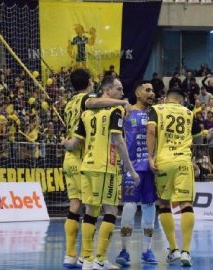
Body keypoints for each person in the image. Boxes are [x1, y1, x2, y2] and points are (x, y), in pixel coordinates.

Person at [62, 72, 134, 270]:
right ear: (89, 83)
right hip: (87, 158)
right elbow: (94, 104)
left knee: (76, 206)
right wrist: (121, 103)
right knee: (100, 208)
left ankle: (72, 256)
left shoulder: (69, 103)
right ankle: (93, 258)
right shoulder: (90, 100)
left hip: (71, 157)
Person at [147, 87, 200, 267]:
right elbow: (198, 137)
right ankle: (186, 251)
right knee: (186, 204)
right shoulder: (189, 113)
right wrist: (192, 157)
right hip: (184, 162)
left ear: (166, 98)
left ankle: (173, 249)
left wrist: (150, 157)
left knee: (164, 203)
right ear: (181, 100)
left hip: (164, 161)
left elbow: (151, 131)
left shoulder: (157, 109)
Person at [115, 82, 158, 266]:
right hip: (131, 168)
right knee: (129, 207)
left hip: (150, 168)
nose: (151, 93)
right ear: (137, 93)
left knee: (149, 208)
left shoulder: (155, 113)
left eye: (152, 90)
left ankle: (147, 251)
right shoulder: (127, 110)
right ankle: (124, 250)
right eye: (147, 90)